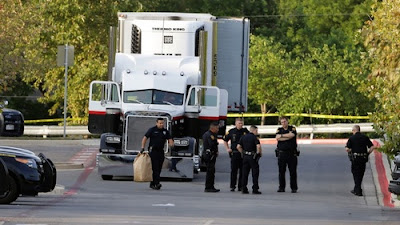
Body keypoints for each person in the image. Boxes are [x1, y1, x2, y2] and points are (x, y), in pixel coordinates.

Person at [141, 118, 174, 190]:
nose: (161, 124)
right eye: (160, 123)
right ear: (156, 123)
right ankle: (157, 183)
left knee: (159, 168)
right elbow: (145, 138)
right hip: (153, 151)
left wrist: (172, 144)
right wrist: (142, 148)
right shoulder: (152, 130)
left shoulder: (165, 131)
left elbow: (170, 139)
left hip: (161, 151)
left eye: (162, 123)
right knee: (155, 167)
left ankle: (152, 183)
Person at [345, 125, 377, 196]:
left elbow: (347, 149)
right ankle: (357, 189)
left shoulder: (352, 138)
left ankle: (358, 190)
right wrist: (368, 153)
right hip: (363, 158)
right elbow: (372, 147)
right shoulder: (365, 137)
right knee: (361, 173)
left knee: (355, 173)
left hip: (355, 158)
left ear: (354, 130)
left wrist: (350, 150)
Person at [223, 118, 249, 192]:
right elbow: (225, 140)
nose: (240, 125)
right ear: (236, 124)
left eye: (241, 123)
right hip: (234, 153)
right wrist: (227, 149)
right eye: (239, 123)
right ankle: (232, 185)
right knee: (234, 170)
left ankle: (240, 186)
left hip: (243, 153)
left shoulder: (245, 131)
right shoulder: (231, 131)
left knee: (242, 171)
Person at [275, 117, 298, 193]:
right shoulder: (279, 129)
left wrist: (282, 136)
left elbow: (292, 135)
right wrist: (285, 136)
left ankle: (293, 188)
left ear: (287, 121)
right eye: (282, 122)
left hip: (291, 153)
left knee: (293, 172)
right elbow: (277, 138)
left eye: (285, 121)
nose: (283, 123)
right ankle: (281, 187)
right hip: (282, 153)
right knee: (281, 172)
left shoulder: (292, 128)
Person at [237, 125, 262, 194]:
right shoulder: (255, 137)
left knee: (245, 173)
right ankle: (255, 189)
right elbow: (258, 146)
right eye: (256, 131)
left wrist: (243, 152)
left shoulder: (243, 137)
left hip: (245, 157)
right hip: (252, 157)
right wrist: (258, 153)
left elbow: (238, 146)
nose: (257, 132)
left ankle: (244, 188)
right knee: (255, 173)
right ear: (254, 130)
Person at [202, 122, 220, 192]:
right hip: (209, 155)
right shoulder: (209, 135)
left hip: (211, 155)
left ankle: (211, 186)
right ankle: (208, 187)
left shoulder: (211, 134)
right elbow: (211, 144)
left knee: (212, 171)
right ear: (213, 128)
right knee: (210, 171)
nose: (218, 129)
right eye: (217, 128)